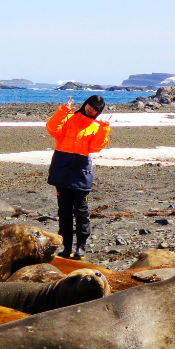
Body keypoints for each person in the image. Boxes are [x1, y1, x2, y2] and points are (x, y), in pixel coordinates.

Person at [45, 94, 111, 259]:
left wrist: (104, 128)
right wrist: (62, 111)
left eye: (96, 108)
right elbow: (52, 129)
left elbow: (95, 148)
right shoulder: (67, 118)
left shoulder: (96, 126)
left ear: (99, 111)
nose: (91, 109)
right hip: (62, 168)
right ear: (86, 103)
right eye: (90, 104)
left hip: (81, 171)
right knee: (64, 211)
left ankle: (81, 247)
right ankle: (66, 248)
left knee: (81, 211)